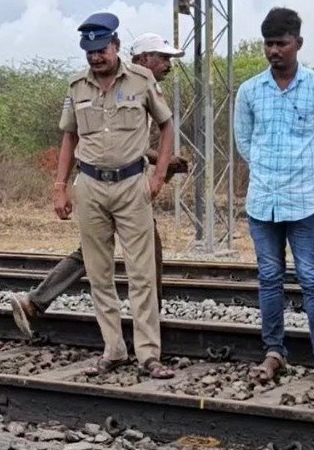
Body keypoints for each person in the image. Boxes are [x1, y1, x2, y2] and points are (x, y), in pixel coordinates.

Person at [10, 33, 188, 339]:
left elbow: (132, 143)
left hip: (130, 187)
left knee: (116, 254)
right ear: (144, 58)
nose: (167, 65)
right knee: (104, 257)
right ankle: (38, 301)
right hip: (103, 184)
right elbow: (108, 143)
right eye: (162, 58)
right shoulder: (111, 85)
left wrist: (160, 167)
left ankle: (38, 301)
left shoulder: (142, 86)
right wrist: (161, 165)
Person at [235, 7, 314, 391]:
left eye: (282, 43)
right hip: (263, 202)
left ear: (298, 44)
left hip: (305, 202)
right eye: (268, 43)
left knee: (313, 279)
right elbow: (244, 142)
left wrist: (302, 173)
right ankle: (274, 352)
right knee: (269, 278)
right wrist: (271, 171)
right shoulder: (250, 91)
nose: (274, 50)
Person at [54, 13, 177, 379]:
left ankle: (149, 355)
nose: (96, 57)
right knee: (98, 273)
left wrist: (159, 175)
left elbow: (166, 124)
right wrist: (60, 187)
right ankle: (113, 349)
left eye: (102, 49)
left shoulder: (142, 80)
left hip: (131, 184)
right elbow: (69, 138)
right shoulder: (76, 87)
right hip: (89, 186)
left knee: (141, 273)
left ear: (117, 46)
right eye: (90, 51)